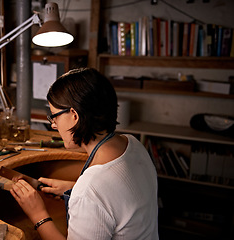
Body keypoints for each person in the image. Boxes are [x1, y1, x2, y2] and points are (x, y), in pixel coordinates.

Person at [9, 68, 158, 240]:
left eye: (54, 116)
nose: (54, 125)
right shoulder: (133, 144)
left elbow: (97, 192)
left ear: (74, 115)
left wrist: (38, 214)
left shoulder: (90, 190)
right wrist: (73, 189)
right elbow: (118, 196)